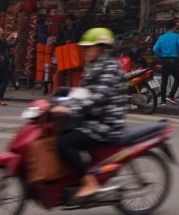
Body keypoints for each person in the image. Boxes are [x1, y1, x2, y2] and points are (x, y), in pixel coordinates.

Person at [54, 28, 127, 202]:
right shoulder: (95, 66)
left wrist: (70, 109)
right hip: (92, 118)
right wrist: (61, 95)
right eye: (85, 48)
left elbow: (97, 97)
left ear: (101, 48)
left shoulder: (110, 68)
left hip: (105, 123)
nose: (85, 51)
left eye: (89, 47)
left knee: (65, 143)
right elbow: (84, 92)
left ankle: (90, 183)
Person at [151, 23, 179, 105]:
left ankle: (163, 101)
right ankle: (171, 95)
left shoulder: (161, 37)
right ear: (174, 27)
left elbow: (154, 49)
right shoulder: (176, 36)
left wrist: (160, 55)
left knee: (164, 81)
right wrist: (178, 53)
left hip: (164, 61)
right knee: (177, 78)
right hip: (173, 60)